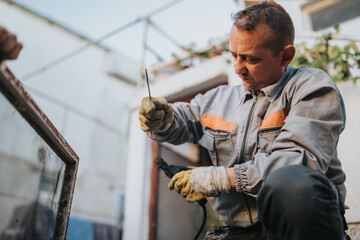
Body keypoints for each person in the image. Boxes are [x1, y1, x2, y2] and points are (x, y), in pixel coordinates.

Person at [139, 1, 350, 239]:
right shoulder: (220, 99)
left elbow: (295, 166)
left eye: (250, 59)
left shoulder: (311, 88)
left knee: (292, 184)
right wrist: (164, 120)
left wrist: (219, 178)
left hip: (297, 228)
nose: (238, 68)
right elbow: (186, 118)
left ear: (285, 56)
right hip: (238, 233)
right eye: (234, 55)